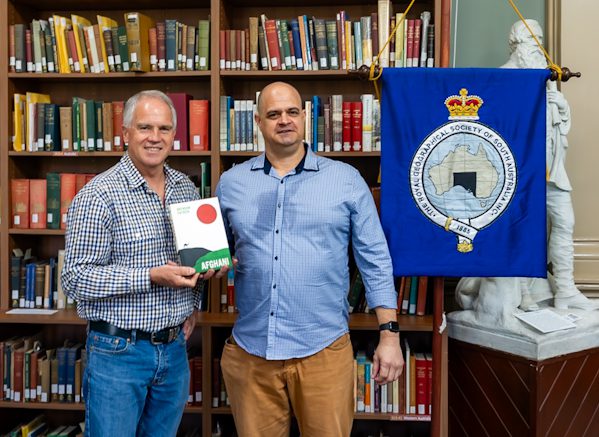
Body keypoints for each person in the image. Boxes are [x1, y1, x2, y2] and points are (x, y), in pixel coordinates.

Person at [216, 82, 404, 436]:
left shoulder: (346, 180)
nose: (284, 120)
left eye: (292, 112)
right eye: (273, 114)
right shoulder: (231, 183)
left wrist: (390, 334)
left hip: (322, 352)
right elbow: (213, 253)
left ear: (305, 116)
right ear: (258, 121)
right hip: (251, 353)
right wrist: (209, 266)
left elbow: (375, 259)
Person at [61, 90, 225, 436]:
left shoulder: (185, 189)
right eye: (145, 127)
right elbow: (76, 279)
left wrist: (198, 290)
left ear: (174, 135)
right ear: (125, 133)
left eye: (164, 128)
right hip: (118, 353)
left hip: (174, 350)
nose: (155, 137)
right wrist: (150, 276)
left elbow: (190, 260)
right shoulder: (98, 196)